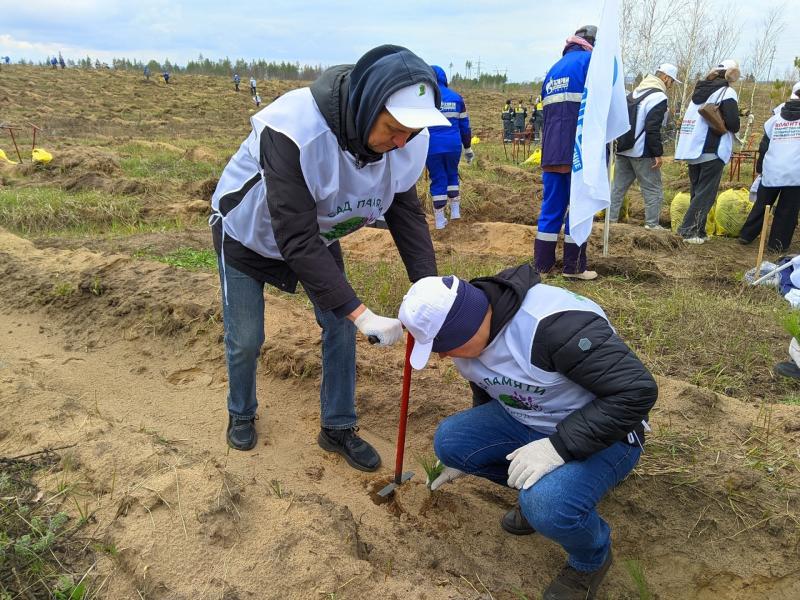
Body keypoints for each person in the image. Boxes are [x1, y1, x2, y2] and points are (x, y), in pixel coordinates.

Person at [209, 45, 448, 470]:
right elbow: (294, 237)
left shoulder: (403, 140)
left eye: (408, 134)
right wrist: (363, 313)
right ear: (365, 106)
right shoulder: (293, 129)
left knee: (338, 325)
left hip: (314, 234)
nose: (400, 143)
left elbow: (404, 212)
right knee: (247, 338)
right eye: (393, 128)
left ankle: (337, 427)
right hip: (249, 236)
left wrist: (427, 286)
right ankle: (240, 412)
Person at [397, 264, 658, 600]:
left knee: (547, 506)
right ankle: (539, 487)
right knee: (452, 442)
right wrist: (474, 455)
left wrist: (557, 448)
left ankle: (591, 558)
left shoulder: (553, 327)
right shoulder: (471, 338)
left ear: (467, 325)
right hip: (529, 419)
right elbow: (487, 385)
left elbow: (635, 392)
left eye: (444, 344)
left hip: (608, 434)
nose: (443, 354)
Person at [535, 25, 597, 279]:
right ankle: (574, 267)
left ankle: (542, 267)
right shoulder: (590, 62)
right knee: (580, 208)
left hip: (551, 151)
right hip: (578, 152)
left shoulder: (553, 69)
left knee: (551, 208)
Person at [674, 60, 741, 244]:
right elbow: (734, 124)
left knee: (698, 192)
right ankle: (688, 231)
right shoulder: (727, 92)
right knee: (705, 194)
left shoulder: (699, 91)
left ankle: (699, 231)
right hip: (712, 148)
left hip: (692, 148)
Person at [609, 63, 681, 230]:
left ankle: (610, 222)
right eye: (672, 81)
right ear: (665, 78)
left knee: (617, 189)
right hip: (643, 152)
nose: (671, 85)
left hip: (624, 149)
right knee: (653, 190)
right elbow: (652, 127)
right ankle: (651, 225)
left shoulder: (635, 92)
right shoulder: (659, 97)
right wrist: (657, 153)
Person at [739, 81, 800, 252]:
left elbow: (764, 146)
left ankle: (746, 235)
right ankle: (776, 245)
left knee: (762, 203)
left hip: (772, 169)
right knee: (787, 210)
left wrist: (760, 168)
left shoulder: (775, 118)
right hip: (795, 173)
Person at [426, 65, 473, 230]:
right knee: (452, 173)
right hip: (453, 145)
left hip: (432, 146)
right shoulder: (456, 98)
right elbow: (465, 127)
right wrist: (468, 148)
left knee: (438, 177)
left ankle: (439, 221)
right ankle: (455, 213)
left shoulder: (426, 98)